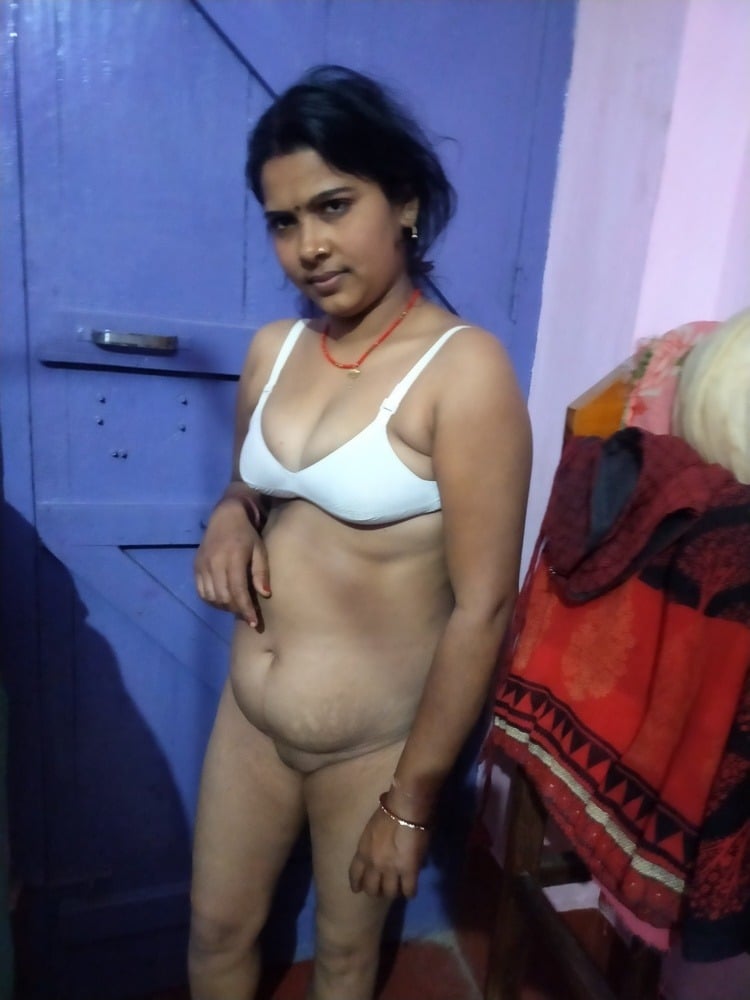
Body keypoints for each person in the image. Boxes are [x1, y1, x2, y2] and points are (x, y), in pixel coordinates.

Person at [189, 64, 531, 1000]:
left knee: (343, 960)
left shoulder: (465, 371)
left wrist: (411, 805)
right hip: (249, 723)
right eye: (283, 221)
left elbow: (483, 605)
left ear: (404, 203)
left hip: (372, 748)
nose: (309, 246)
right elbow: (249, 484)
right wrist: (229, 515)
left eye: (334, 206)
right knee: (215, 933)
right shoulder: (275, 350)